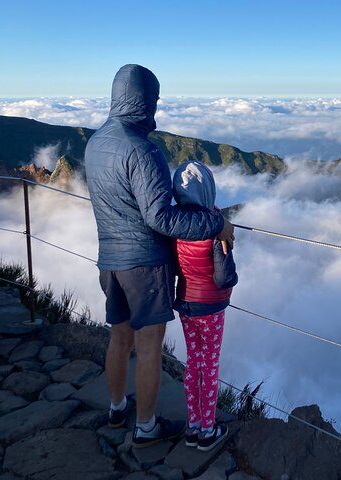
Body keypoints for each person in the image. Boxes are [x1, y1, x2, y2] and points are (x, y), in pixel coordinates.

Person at [84, 64, 235, 449]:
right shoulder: (142, 149)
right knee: (149, 344)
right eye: (153, 100)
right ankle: (147, 426)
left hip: (108, 260)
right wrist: (215, 223)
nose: (155, 108)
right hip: (144, 266)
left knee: (119, 337)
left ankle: (117, 407)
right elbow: (160, 217)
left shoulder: (96, 142)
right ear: (144, 100)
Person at [171, 161, 237, 452]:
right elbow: (223, 277)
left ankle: (193, 426)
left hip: (186, 303)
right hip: (211, 306)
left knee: (193, 363)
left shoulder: (174, 224)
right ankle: (208, 432)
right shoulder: (214, 226)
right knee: (209, 366)